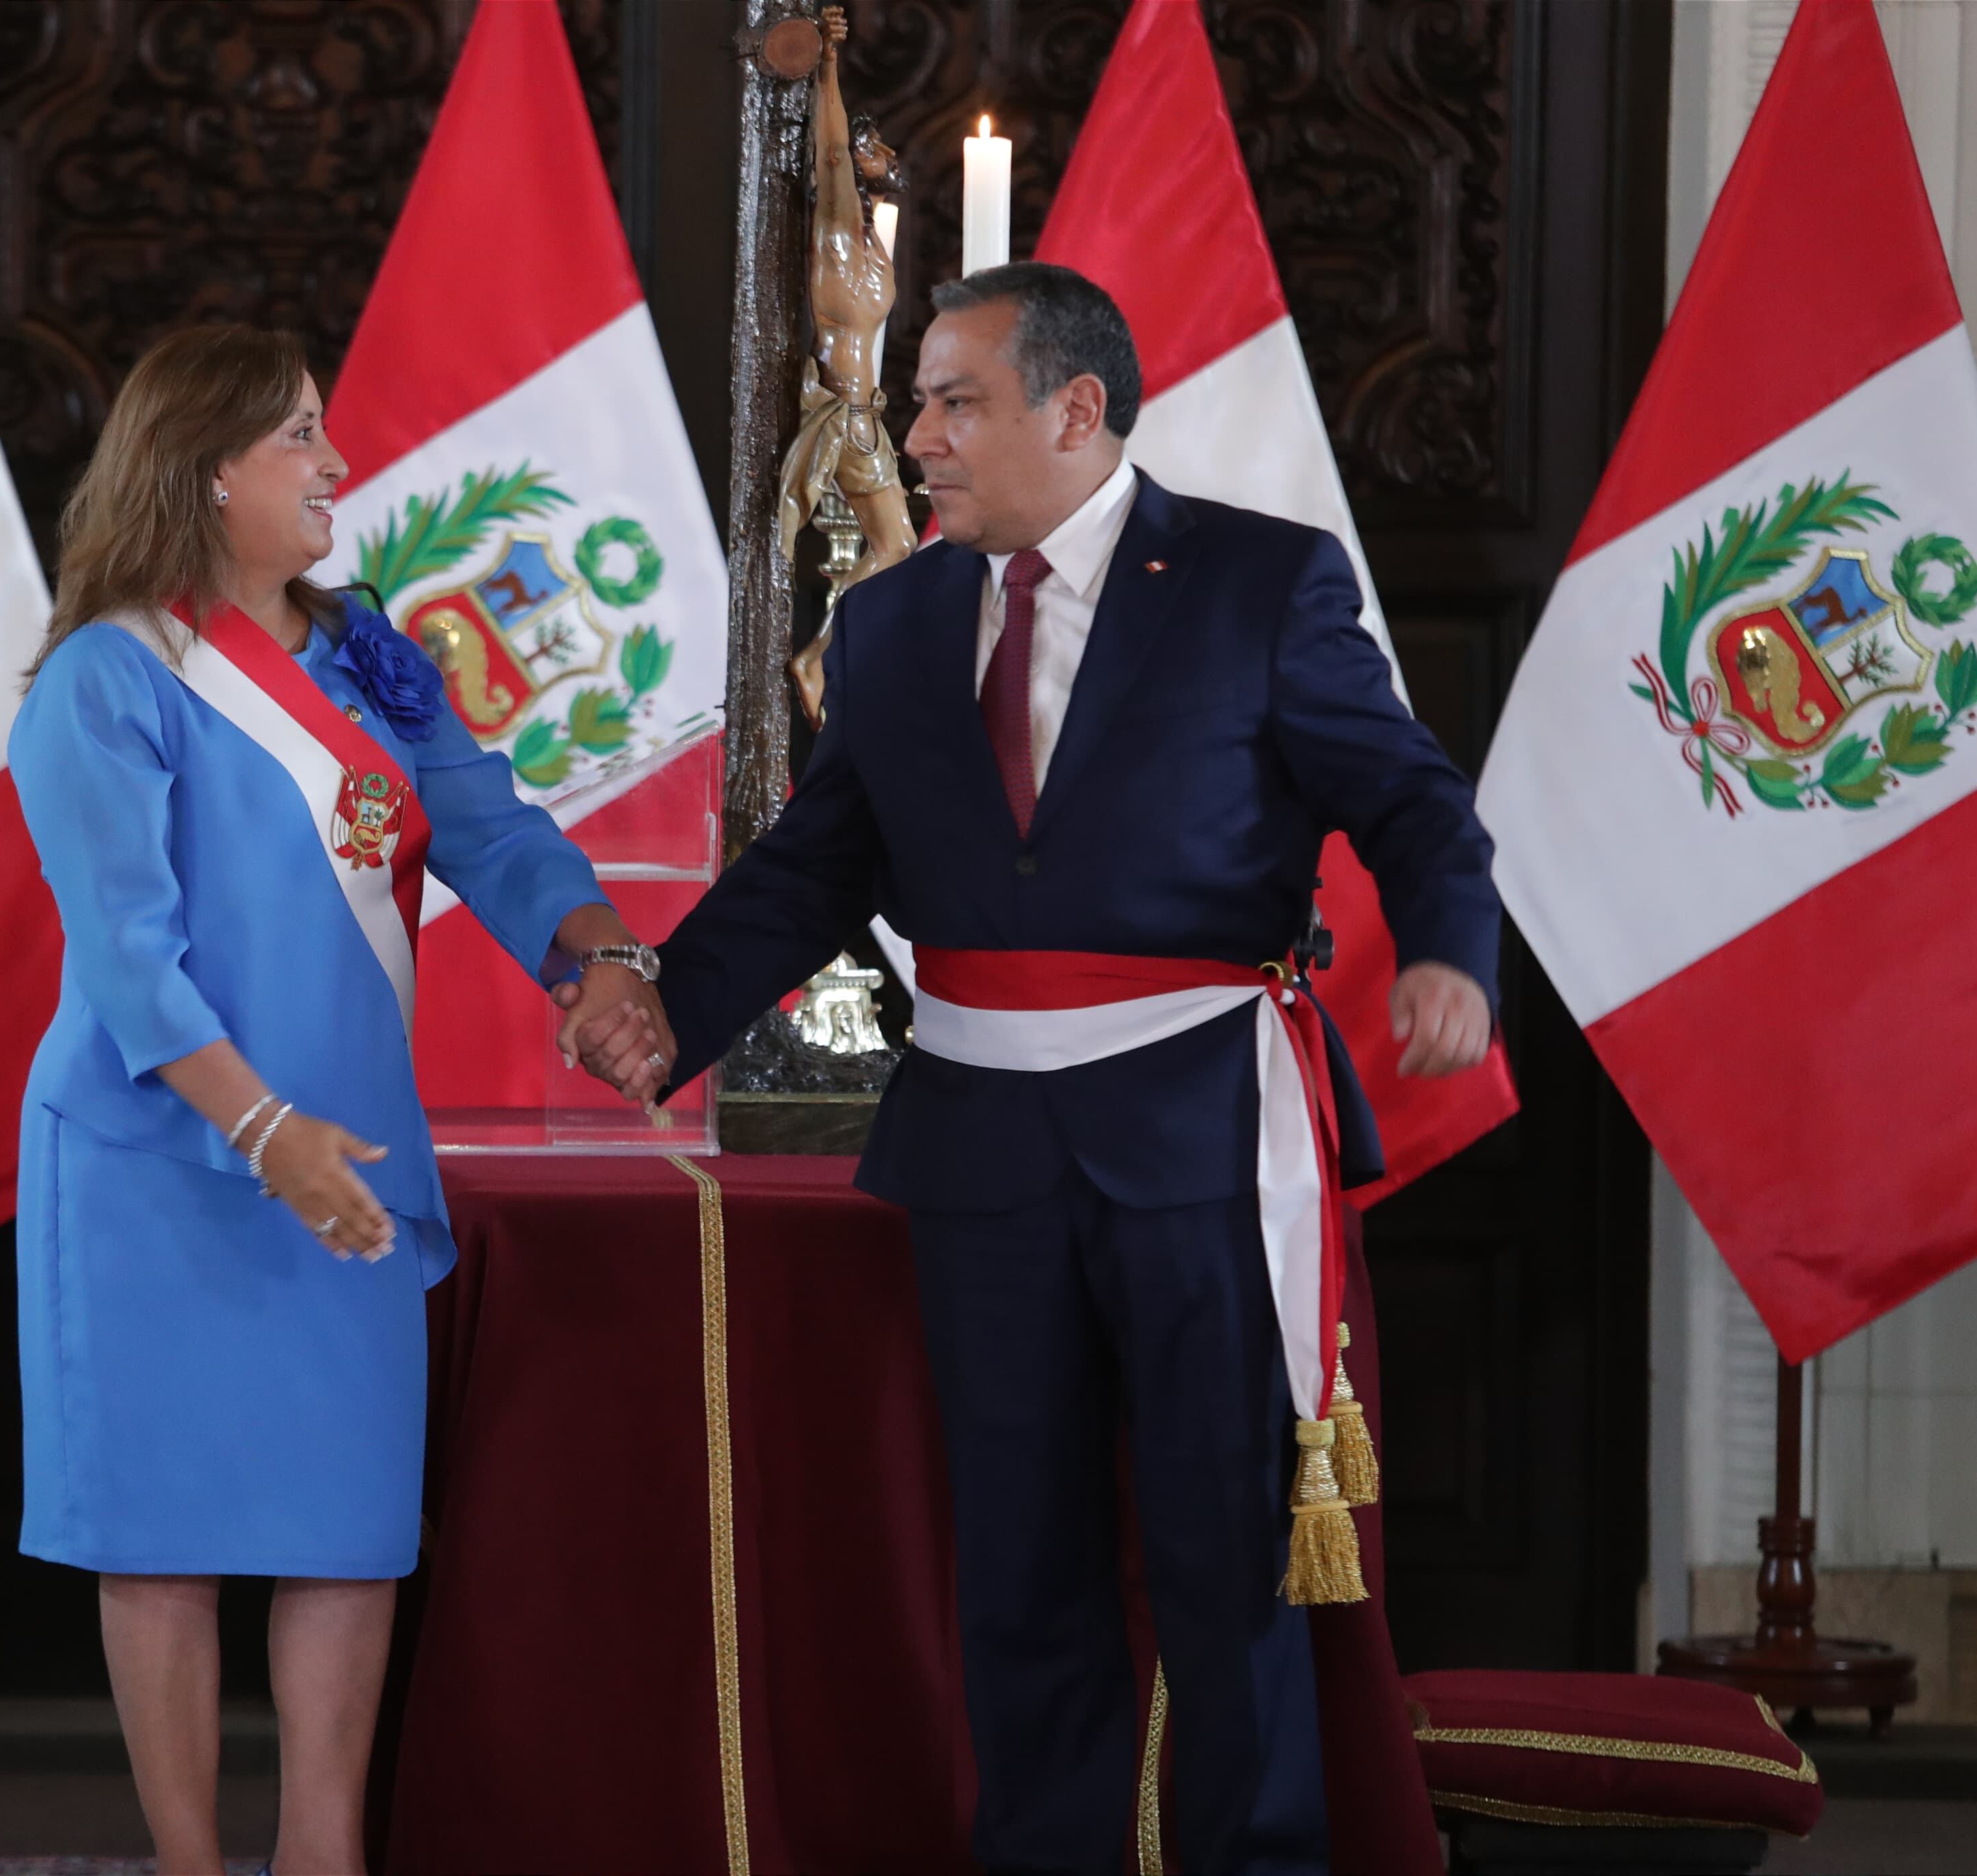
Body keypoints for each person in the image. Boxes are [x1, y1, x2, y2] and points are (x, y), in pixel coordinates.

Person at [578, 265, 1500, 1875]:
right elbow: (818, 861)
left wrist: (1446, 953)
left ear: (1076, 412)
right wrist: (675, 1004)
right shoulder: (891, 618)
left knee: (1228, 1567)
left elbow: (1415, 806)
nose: (914, 436)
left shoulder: (1255, 583)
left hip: (1203, 1137)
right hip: (983, 1150)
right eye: (920, 400)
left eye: (955, 402)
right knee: (1017, 1574)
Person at [8, 323, 669, 1876]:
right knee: (162, 1534)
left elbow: (491, 830)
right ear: (208, 467)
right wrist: (260, 1131)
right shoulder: (107, 678)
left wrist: (596, 959)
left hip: (351, 1154)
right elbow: (129, 960)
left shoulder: (364, 645)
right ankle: (187, 1859)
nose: (337, 467)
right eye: (303, 437)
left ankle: (323, 1853)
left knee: (345, 1523)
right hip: (158, 1162)